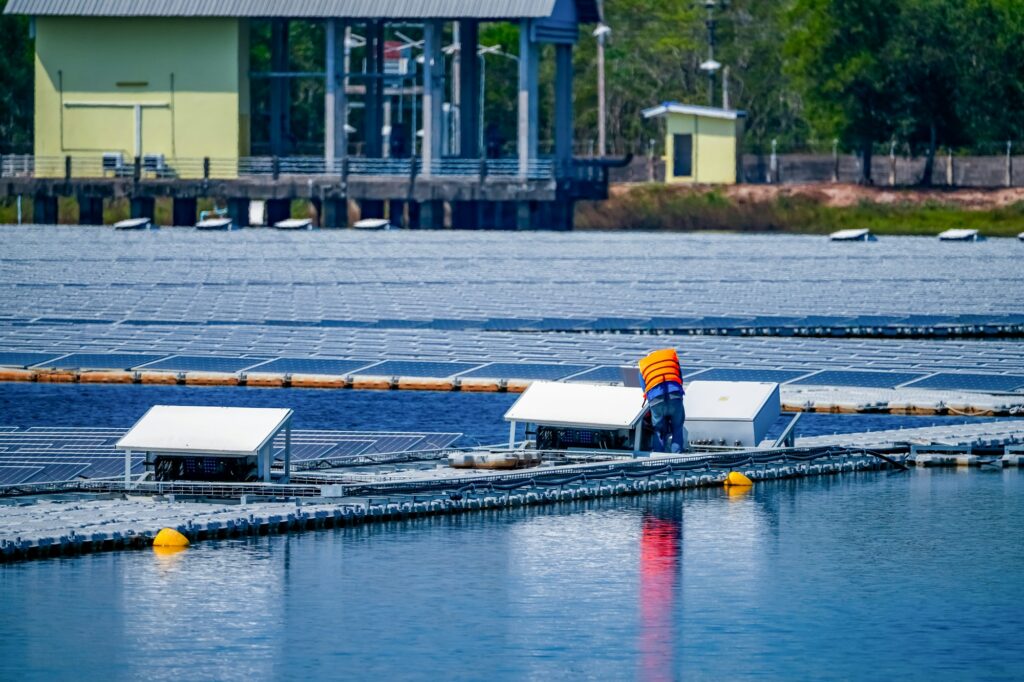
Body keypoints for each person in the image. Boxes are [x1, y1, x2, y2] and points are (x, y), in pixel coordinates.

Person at [639, 348, 685, 453]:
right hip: (675, 396)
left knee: (658, 431)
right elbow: (680, 379)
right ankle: (677, 456)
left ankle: (658, 456)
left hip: (656, 400)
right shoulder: (670, 360)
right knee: (677, 428)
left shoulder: (644, 366)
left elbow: (645, 388)